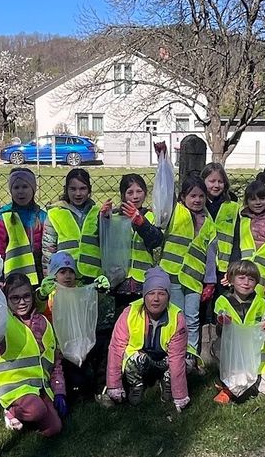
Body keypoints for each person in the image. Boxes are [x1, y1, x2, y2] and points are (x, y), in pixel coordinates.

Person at [0, 273, 65, 437]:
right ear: (6, 299)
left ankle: (36, 412)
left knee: (54, 429)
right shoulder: (2, 322)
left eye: (26, 296)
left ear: (32, 295)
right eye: (15, 298)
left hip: (40, 387)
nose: (22, 302)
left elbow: (54, 362)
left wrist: (59, 391)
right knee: (36, 410)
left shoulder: (43, 322)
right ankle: (12, 411)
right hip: (15, 389)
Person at [104, 267, 191, 411]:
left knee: (187, 360)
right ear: (144, 296)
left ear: (168, 297)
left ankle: (167, 382)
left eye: (162, 294)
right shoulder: (129, 313)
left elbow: (176, 357)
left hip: (166, 358)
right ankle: (136, 385)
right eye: (151, 293)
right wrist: (114, 385)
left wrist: (180, 396)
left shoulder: (177, 318)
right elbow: (116, 348)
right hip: (142, 358)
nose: (156, 299)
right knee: (129, 356)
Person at [160, 175, 217, 359]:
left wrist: (210, 282)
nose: (197, 200)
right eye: (192, 196)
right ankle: (174, 354)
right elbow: (164, 191)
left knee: (192, 319)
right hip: (173, 276)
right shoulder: (175, 213)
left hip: (194, 280)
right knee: (177, 318)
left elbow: (211, 254)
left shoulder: (209, 223)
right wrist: (163, 160)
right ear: (183, 197)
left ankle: (190, 356)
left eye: (201, 196)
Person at [212, 258, 265, 403]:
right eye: (241, 278)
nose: (246, 282)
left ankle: (252, 384)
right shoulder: (222, 301)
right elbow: (219, 332)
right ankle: (226, 387)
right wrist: (222, 324)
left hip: (258, 350)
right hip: (234, 351)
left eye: (251, 279)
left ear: (256, 283)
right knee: (219, 347)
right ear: (231, 279)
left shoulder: (261, 302)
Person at [40, 252, 107, 402]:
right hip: (60, 349)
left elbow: (91, 302)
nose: (68, 276)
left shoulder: (80, 291)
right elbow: (40, 309)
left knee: (104, 344)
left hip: (81, 343)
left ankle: (101, 387)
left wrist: (100, 289)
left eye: (71, 271)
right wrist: (42, 295)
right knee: (78, 384)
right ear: (53, 275)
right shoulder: (51, 294)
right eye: (62, 272)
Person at [100, 173, 165, 310]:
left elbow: (156, 241)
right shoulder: (115, 218)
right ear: (123, 195)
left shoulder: (151, 217)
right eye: (130, 192)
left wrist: (141, 223)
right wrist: (103, 219)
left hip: (144, 280)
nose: (135, 196)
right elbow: (104, 239)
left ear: (145, 193)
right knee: (123, 322)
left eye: (139, 191)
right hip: (120, 281)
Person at [43, 168, 102, 283]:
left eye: (83, 188)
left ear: (89, 189)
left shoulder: (98, 212)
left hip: (93, 277)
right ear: (66, 190)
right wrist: (49, 277)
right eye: (73, 189)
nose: (78, 193)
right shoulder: (55, 213)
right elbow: (48, 249)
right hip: (66, 277)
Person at [0, 168, 47, 285]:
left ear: (33, 189)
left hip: (38, 273)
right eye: (16, 187)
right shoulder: (3, 217)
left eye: (25, 187)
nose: (20, 191)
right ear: (11, 190)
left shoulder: (42, 216)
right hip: (11, 275)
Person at [203, 163, 240, 277]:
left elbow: (237, 239)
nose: (216, 185)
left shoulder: (232, 207)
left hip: (224, 267)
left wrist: (233, 266)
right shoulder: (198, 205)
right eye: (212, 181)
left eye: (220, 182)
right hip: (201, 264)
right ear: (203, 181)